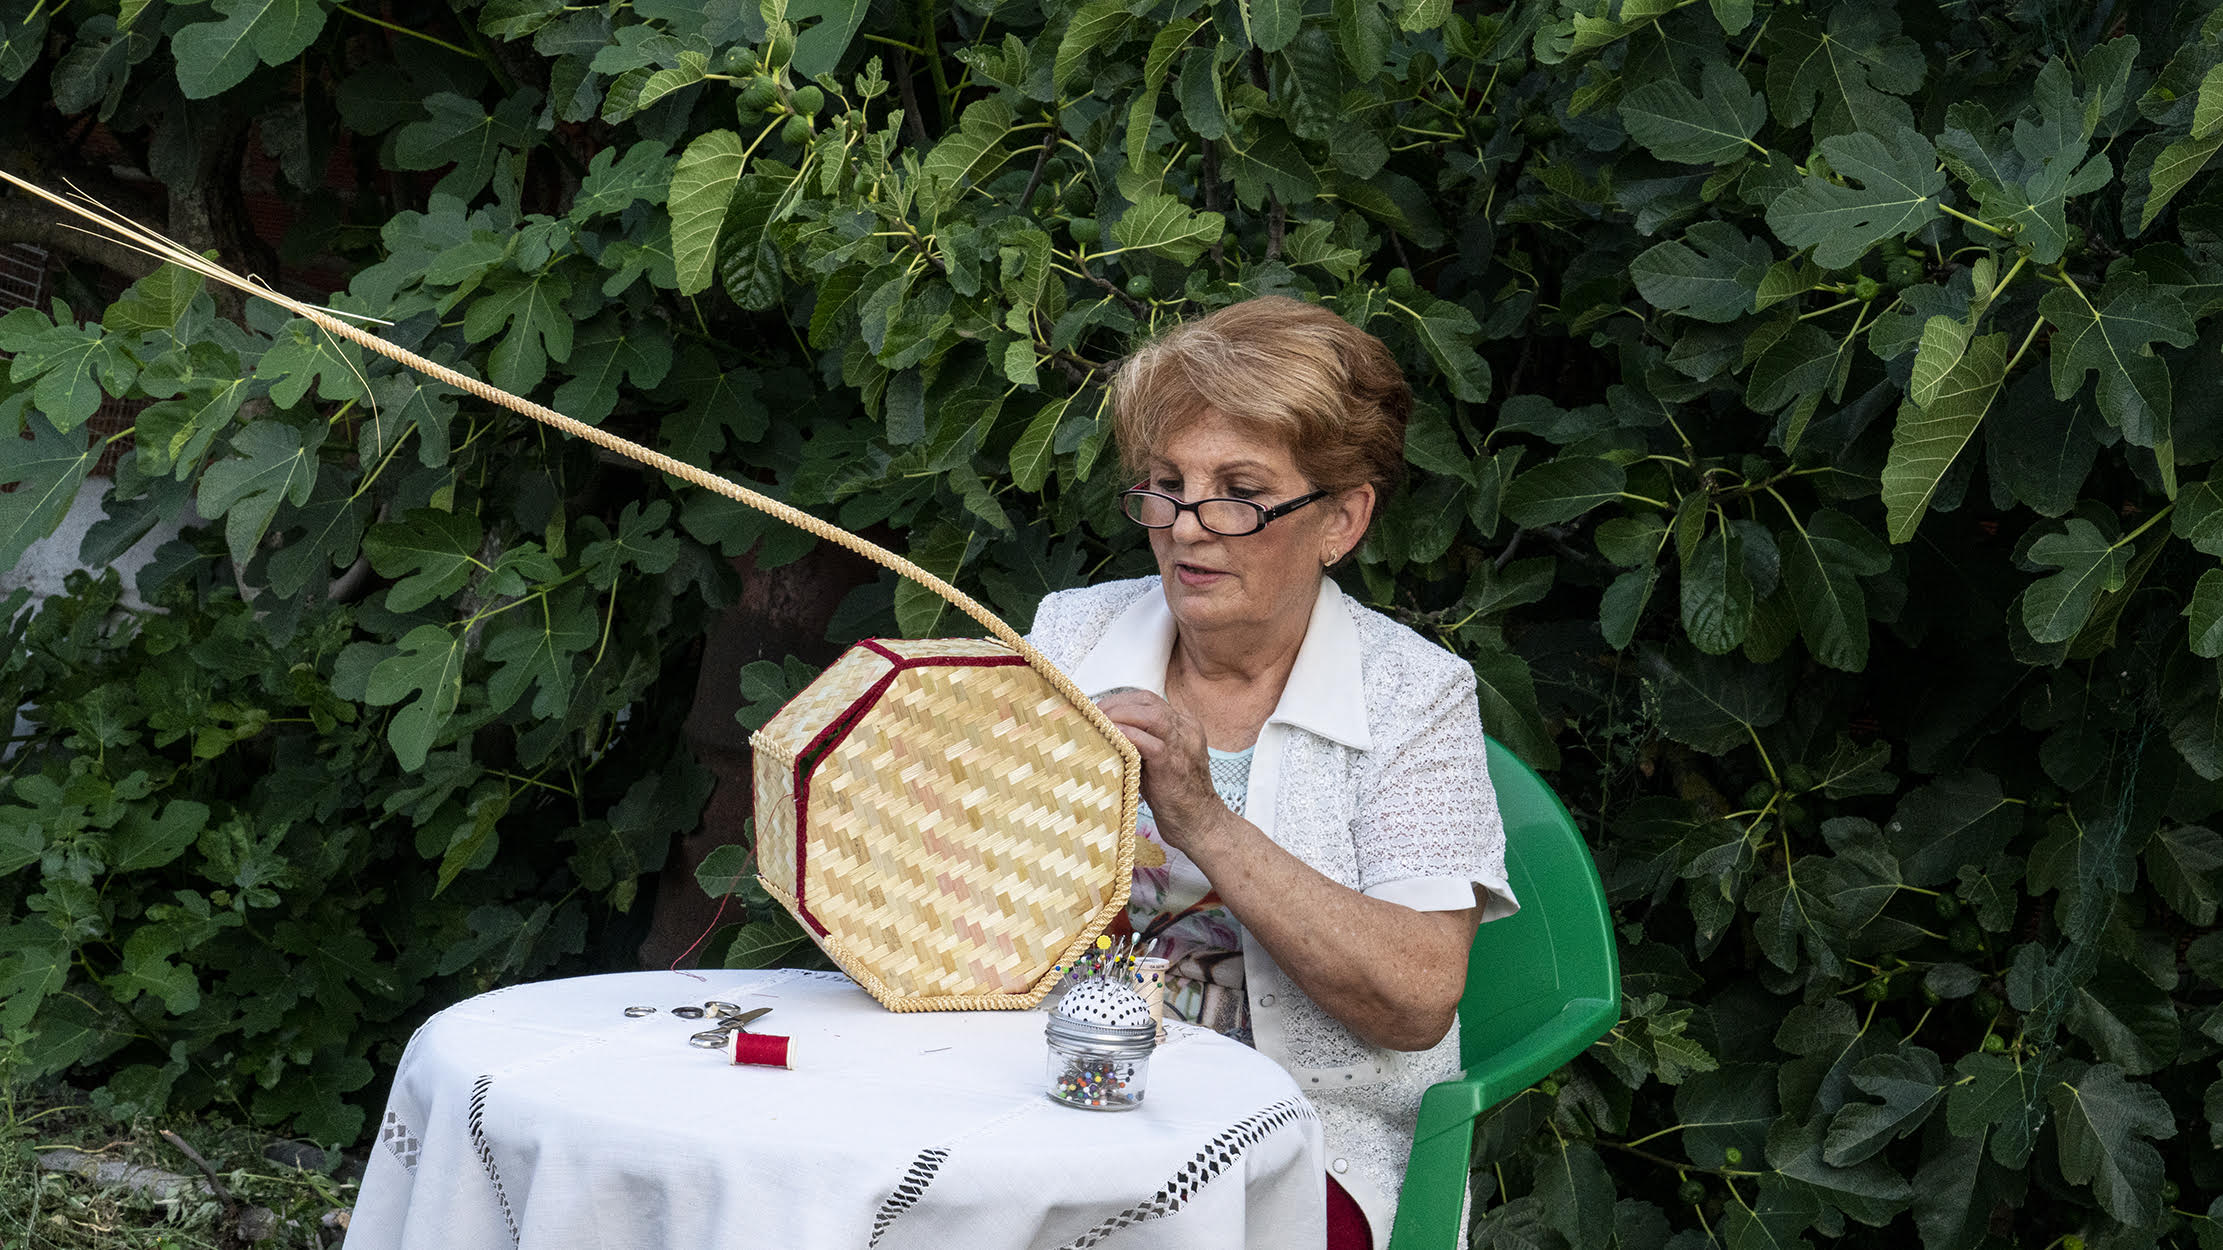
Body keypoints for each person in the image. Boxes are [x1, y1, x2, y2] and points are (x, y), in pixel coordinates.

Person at [1025, 295, 1516, 1250]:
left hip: (1296, 1142)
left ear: (1341, 519)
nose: (1185, 528)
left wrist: (1202, 819)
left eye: (1239, 492)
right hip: (1055, 1097)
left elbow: (1416, 999)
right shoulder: (1069, 637)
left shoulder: (1413, 695)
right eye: (1165, 483)